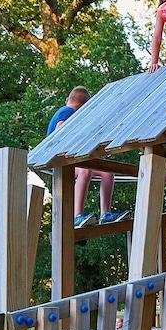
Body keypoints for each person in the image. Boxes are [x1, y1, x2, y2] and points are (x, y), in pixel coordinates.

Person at [47, 87, 128, 227]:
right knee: (85, 171)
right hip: (56, 161)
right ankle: (77, 215)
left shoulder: (70, 113)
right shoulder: (67, 111)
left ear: (67, 99)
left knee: (107, 173)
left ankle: (106, 214)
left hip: (67, 161)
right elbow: (60, 130)